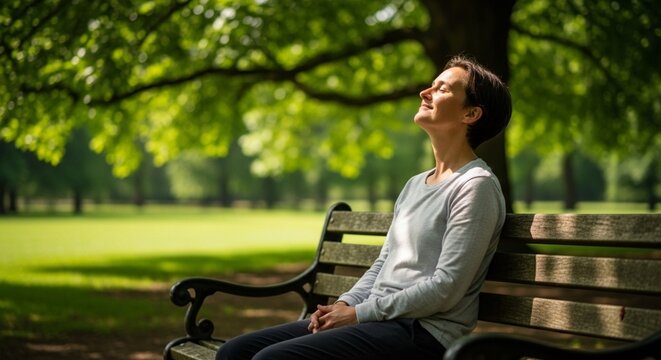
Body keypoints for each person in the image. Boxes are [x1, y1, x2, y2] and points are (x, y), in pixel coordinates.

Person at [216, 55, 512, 360]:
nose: (426, 92)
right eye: (431, 85)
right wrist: (345, 304)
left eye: (442, 89)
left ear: (471, 113)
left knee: (272, 359)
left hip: (422, 333)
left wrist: (359, 314)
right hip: (377, 320)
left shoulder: (476, 186)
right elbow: (383, 264)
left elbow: (446, 288)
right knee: (235, 351)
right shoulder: (415, 185)